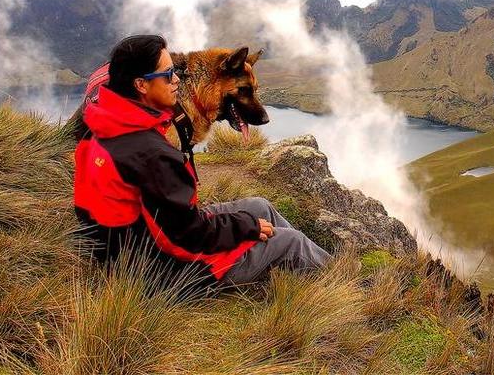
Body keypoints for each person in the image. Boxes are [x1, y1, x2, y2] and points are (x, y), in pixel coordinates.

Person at [73, 34, 331, 287]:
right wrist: (246, 227)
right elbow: (189, 236)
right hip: (163, 271)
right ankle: (342, 283)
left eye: (175, 71)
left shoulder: (104, 122)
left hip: (133, 247)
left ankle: (307, 270)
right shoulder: (153, 153)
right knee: (292, 243)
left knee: (260, 207)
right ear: (141, 85)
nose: (177, 80)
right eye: (168, 75)